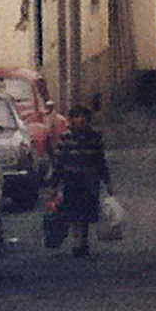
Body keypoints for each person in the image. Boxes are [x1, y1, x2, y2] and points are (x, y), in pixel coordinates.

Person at [52, 105, 113, 258]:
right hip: (71, 181)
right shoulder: (65, 137)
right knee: (74, 213)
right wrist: (54, 184)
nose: (80, 120)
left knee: (86, 213)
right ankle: (77, 242)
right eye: (77, 117)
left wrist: (107, 181)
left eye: (83, 117)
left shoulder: (95, 137)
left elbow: (100, 160)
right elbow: (59, 161)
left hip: (89, 181)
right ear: (71, 120)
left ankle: (83, 242)